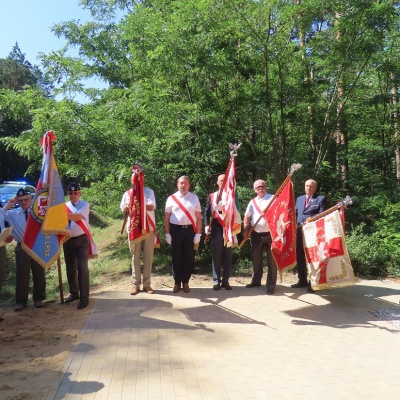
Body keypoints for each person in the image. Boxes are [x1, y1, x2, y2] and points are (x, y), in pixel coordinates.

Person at [1, 188, 46, 311]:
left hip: (36, 246)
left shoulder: (38, 213)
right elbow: (1, 214)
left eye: (26, 199)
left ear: (31, 199)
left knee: (39, 273)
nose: (24, 202)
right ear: (17, 202)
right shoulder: (13, 214)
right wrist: (9, 204)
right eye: (20, 200)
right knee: (22, 274)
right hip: (22, 247)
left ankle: (39, 299)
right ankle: (21, 301)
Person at [164, 176, 202, 293]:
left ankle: (186, 282)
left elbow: (199, 218)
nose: (183, 185)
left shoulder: (194, 198)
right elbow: (166, 218)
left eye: (185, 183)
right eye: (181, 183)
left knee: (188, 258)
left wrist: (198, 234)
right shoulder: (171, 198)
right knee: (176, 257)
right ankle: (177, 283)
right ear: (177, 184)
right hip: (175, 230)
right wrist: (167, 233)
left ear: (189, 185)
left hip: (190, 231)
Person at [120, 175, 157, 295]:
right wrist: (127, 207)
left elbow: (152, 206)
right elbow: (123, 208)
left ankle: (147, 284)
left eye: (139, 179)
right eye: (134, 179)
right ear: (131, 181)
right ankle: (135, 285)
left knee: (148, 256)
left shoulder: (149, 192)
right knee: (135, 256)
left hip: (148, 228)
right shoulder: (127, 193)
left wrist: (139, 204)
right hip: (133, 229)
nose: (137, 181)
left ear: (142, 180)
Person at [63, 182, 94, 309]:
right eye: (70, 193)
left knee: (82, 267)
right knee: (70, 268)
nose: (73, 195)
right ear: (68, 194)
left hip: (82, 240)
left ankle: (84, 297)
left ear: (80, 193)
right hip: (68, 240)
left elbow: (77, 217)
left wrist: (57, 214)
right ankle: (74, 293)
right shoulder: (64, 206)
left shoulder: (85, 205)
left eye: (76, 193)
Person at [292, 179, 327, 289]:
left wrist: (313, 219)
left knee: (312, 258)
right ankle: (302, 280)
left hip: (313, 233)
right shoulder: (299, 199)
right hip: (299, 232)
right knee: (300, 257)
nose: (308, 188)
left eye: (311, 186)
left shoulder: (320, 199)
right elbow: (296, 214)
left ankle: (313, 282)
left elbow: (323, 214)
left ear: (315, 187)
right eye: (306, 186)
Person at [243, 179, 277, 295]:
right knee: (256, 260)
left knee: (272, 261)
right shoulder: (252, 202)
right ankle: (256, 281)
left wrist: (269, 213)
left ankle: (271, 286)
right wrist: (246, 230)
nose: (260, 188)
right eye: (258, 187)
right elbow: (247, 216)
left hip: (271, 234)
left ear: (266, 187)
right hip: (256, 234)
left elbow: (279, 212)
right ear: (255, 190)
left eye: (262, 186)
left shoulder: (273, 198)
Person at [204, 174, 233, 290]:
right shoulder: (212, 196)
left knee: (228, 254)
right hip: (215, 225)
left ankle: (226, 281)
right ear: (217, 182)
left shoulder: (231, 196)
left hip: (227, 226)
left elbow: (234, 212)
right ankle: (216, 280)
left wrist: (223, 210)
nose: (222, 182)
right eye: (221, 180)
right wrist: (206, 225)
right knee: (216, 253)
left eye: (224, 180)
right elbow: (206, 211)